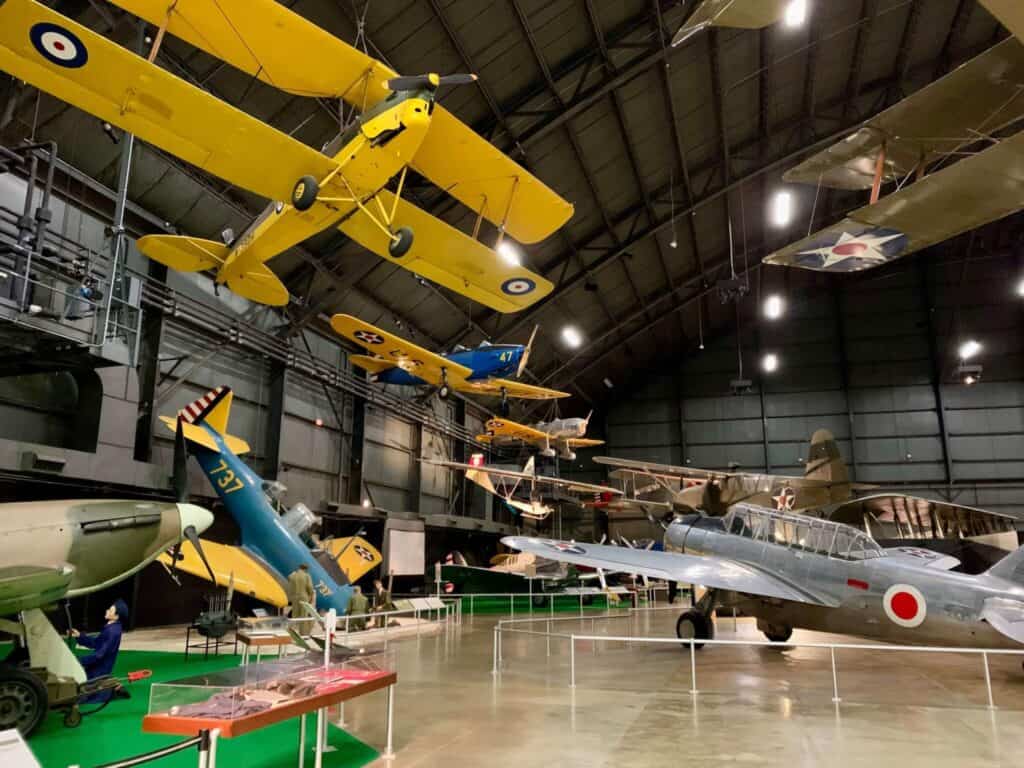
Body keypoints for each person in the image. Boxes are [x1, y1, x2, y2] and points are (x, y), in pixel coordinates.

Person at [72, 599, 128, 701]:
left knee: (80, 695)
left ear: (116, 616)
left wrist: (80, 661)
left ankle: (113, 688)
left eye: (110, 610)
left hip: (100, 670)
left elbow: (99, 655)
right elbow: (96, 643)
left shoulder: (112, 632)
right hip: (99, 667)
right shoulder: (111, 627)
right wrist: (79, 636)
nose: (107, 611)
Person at [287, 564, 315, 634]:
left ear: (299, 568)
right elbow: (309, 587)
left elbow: (289, 578)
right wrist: (311, 595)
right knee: (303, 616)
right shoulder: (307, 576)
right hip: (304, 597)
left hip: (294, 598)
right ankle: (303, 633)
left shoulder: (293, 576)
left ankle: (293, 632)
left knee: (294, 615)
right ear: (306, 569)